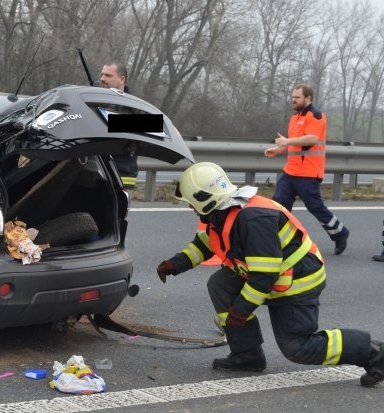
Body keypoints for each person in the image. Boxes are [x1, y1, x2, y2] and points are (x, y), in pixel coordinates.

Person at [156, 162, 383, 387]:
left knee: (297, 347)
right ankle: (247, 355)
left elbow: (264, 276)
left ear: (205, 199)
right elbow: (208, 243)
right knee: (220, 283)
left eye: (191, 203)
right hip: (273, 276)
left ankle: (374, 353)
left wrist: (240, 312)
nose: (190, 208)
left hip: (298, 282)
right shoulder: (223, 213)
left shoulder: (253, 220)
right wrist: (175, 264)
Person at [264, 84, 350, 255]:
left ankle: (340, 233)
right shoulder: (295, 118)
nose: (293, 100)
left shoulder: (316, 116)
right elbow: (295, 144)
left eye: (297, 97)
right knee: (279, 206)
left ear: (308, 98)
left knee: (315, 207)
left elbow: (311, 139)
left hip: (308, 174)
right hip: (290, 172)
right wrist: (278, 150)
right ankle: (277, 242)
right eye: (292, 97)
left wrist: (287, 142)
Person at [99, 62, 138, 193]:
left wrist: (113, 123)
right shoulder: (95, 101)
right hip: (95, 174)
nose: (102, 79)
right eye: (102, 74)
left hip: (122, 177)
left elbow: (163, 127)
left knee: (114, 213)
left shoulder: (136, 107)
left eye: (108, 75)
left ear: (122, 79)